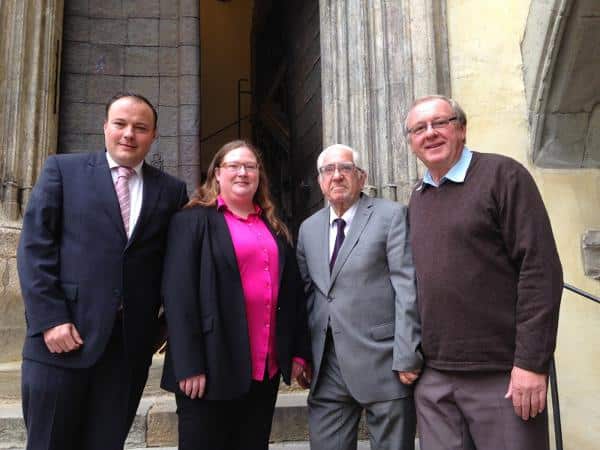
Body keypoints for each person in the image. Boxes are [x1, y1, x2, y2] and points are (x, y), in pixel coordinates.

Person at [17, 92, 188, 450]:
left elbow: (176, 263)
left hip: (126, 352)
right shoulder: (62, 170)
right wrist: (50, 319)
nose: (129, 134)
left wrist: (159, 327)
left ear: (154, 135)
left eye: (140, 127)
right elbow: (35, 247)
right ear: (104, 127)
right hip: (61, 341)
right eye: (121, 124)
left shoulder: (171, 191)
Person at [405, 94, 563, 450]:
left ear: (461, 128)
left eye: (440, 123)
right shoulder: (419, 197)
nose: (430, 133)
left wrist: (531, 363)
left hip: (503, 377)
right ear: (412, 142)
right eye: (419, 128)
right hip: (436, 381)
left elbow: (540, 270)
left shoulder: (503, 176)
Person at [160, 139, 311, 450]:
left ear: (259, 175)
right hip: (211, 365)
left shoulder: (274, 226)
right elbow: (178, 295)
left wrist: (297, 350)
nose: (242, 172)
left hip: (263, 366)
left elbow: (293, 294)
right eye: (233, 166)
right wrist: (189, 363)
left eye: (250, 166)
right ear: (217, 173)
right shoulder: (192, 220)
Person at [296, 144, 422, 450]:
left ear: (361, 177)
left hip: (385, 363)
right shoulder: (308, 228)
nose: (337, 176)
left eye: (346, 169)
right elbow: (307, 296)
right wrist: (302, 354)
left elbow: (407, 288)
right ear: (320, 180)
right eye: (328, 170)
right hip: (326, 368)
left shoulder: (391, 216)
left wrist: (408, 354)